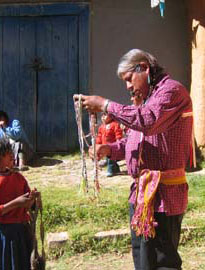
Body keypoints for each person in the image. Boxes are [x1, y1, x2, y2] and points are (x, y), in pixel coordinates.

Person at [74, 49, 193, 270]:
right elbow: (135, 140)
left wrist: (105, 105)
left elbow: (146, 122)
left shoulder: (172, 91)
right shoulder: (147, 99)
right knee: (143, 261)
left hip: (164, 196)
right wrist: (109, 149)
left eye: (129, 79)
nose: (128, 86)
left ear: (144, 68)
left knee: (162, 262)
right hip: (142, 195)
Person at [0, 137, 40, 270]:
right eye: (6, 154)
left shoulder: (18, 178)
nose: (12, 156)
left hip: (22, 233)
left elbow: (28, 206)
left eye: (11, 152)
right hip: (3, 236)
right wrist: (16, 203)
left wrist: (32, 200)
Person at [96, 113, 123, 177]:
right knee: (110, 158)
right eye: (102, 115)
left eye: (105, 115)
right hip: (104, 146)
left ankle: (110, 170)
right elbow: (99, 136)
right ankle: (116, 169)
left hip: (112, 146)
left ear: (111, 116)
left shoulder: (115, 124)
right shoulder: (101, 127)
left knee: (110, 159)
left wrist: (118, 141)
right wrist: (98, 143)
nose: (103, 117)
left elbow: (118, 134)